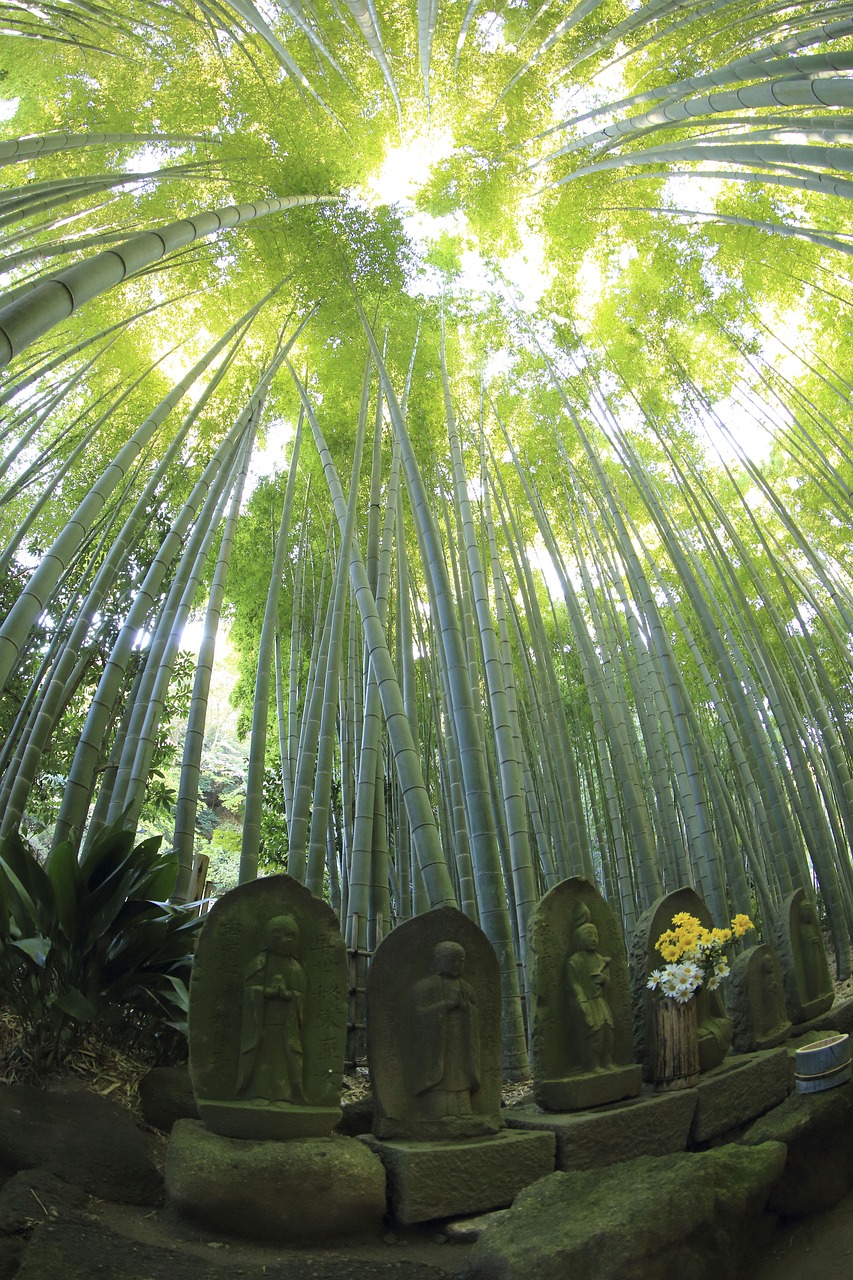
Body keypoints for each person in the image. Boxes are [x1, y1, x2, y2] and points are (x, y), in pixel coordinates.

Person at [237, 914, 307, 1103]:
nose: (285, 940)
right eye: (278, 934)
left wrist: (289, 996)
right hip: (261, 1023)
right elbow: (249, 992)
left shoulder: (296, 968)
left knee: (282, 1061)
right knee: (261, 1058)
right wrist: (265, 993)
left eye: (290, 935)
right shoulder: (259, 963)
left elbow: (301, 997)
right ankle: (257, 1094)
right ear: (268, 936)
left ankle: (283, 1097)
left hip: (286, 1027)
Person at [411, 941, 480, 1119]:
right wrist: (445, 1006)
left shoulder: (467, 988)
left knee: (460, 1072)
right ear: (437, 961)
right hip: (436, 1042)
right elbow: (417, 1015)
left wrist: (466, 1010)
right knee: (441, 1074)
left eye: (461, 960)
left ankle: (463, 1108)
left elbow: (474, 1013)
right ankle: (440, 1111)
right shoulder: (426, 987)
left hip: (460, 1039)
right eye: (451, 960)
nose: (457, 964)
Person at [566, 904, 614, 1072]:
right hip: (587, 1002)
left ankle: (607, 1060)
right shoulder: (574, 961)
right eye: (589, 935)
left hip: (600, 1000)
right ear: (579, 938)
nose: (594, 938)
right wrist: (583, 1003)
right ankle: (592, 1064)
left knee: (608, 1030)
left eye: (596, 935)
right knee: (594, 1033)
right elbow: (574, 985)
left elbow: (608, 981)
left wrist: (604, 980)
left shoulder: (600, 959)